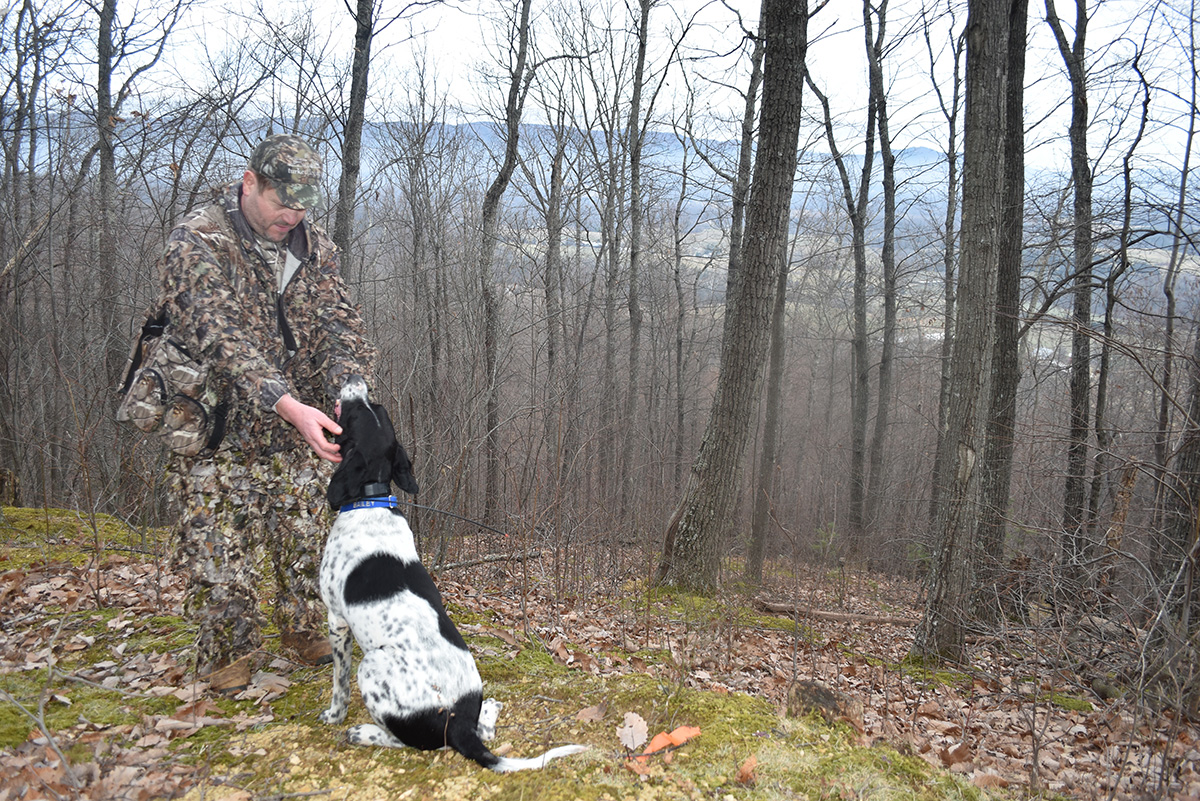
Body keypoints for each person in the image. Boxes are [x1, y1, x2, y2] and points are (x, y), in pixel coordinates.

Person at [152, 134, 377, 688]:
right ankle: (229, 651)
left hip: (295, 419)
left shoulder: (313, 246)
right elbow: (219, 338)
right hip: (213, 420)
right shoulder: (197, 241)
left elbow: (336, 323)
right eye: (282, 202)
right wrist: (288, 404)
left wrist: (350, 391)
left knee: (305, 529)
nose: (292, 216)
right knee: (216, 546)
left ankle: (304, 628)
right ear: (250, 183)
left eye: (303, 205)